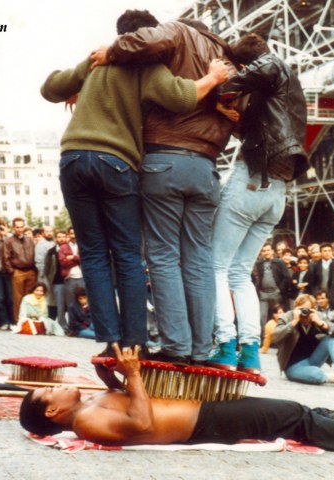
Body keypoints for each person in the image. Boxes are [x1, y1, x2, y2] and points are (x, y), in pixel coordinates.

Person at [44, 10, 229, 358]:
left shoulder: (96, 63)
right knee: (128, 254)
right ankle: (135, 342)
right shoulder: (146, 66)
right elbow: (181, 97)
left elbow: (50, 88)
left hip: (72, 160)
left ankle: (110, 341)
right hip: (116, 162)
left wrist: (83, 74)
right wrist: (212, 78)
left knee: (95, 254)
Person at [19, 345, 334, 451]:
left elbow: (123, 401)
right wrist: (133, 375)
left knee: (287, 412)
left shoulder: (88, 407)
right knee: (283, 413)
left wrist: (110, 374)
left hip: (202, 413)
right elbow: (140, 423)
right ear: (53, 410)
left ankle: (332, 418)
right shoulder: (85, 423)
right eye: (50, 389)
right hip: (203, 424)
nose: (59, 384)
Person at [272, 294, 334, 389]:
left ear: (314, 310)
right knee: (316, 375)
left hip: (313, 360)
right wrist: (293, 322)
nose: (304, 313)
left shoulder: (318, 316)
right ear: (295, 308)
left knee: (330, 340)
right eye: (301, 309)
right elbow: (275, 337)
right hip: (293, 366)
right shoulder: (287, 317)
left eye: (307, 310)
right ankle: (327, 377)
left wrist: (322, 324)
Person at [3, 217, 37, 321]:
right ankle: (18, 320)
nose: (19, 229)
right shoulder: (9, 241)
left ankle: (29, 319)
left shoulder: (30, 240)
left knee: (30, 297)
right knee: (18, 298)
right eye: (17, 227)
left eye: (21, 227)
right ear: (13, 227)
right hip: (17, 271)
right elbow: (5, 257)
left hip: (31, 271)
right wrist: (12, 271)